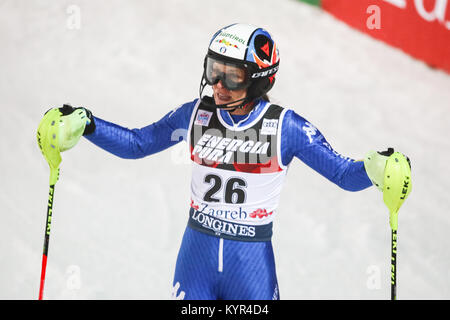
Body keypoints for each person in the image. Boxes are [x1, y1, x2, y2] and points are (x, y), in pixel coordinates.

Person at [40, 23, 407, 300]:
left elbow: (344, 174)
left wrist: (375, 167)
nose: (218, 84)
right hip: (195, 261)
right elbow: (137, 144)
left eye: (232, 76)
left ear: (260, 80)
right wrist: (87, 123)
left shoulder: (286, 127)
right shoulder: (195, 114)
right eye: (214, 69)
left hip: (249, 269)